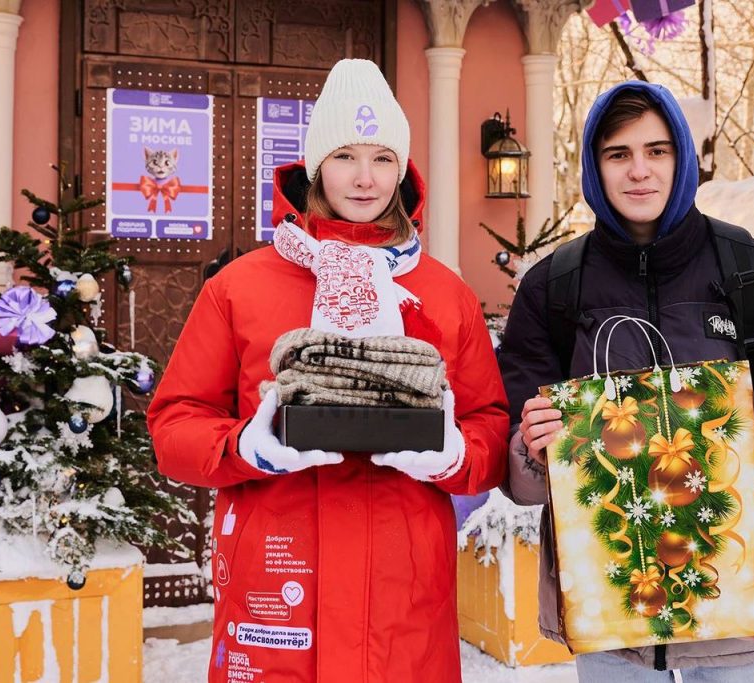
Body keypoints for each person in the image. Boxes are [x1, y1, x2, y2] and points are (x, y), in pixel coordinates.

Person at [148, 59, 509, 682]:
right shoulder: (239, 288)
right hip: (276, 596)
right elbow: (174, 426)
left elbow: (489, 429)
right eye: (345, 155)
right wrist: (245, 446)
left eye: (382, 158)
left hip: (404, 602)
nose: (365, 178)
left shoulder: (445, 295)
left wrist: (451, 454)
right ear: (316, 165)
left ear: (403, 168)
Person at [499, 81, 754, 681]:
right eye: (619, 154)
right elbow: (521, 473)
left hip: (740, 617)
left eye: (657, 151)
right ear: (595, 165)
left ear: (683, 157)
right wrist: (531, 451)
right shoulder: (554, 289)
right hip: (613, 622)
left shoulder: (752, 274)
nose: (639, 171)